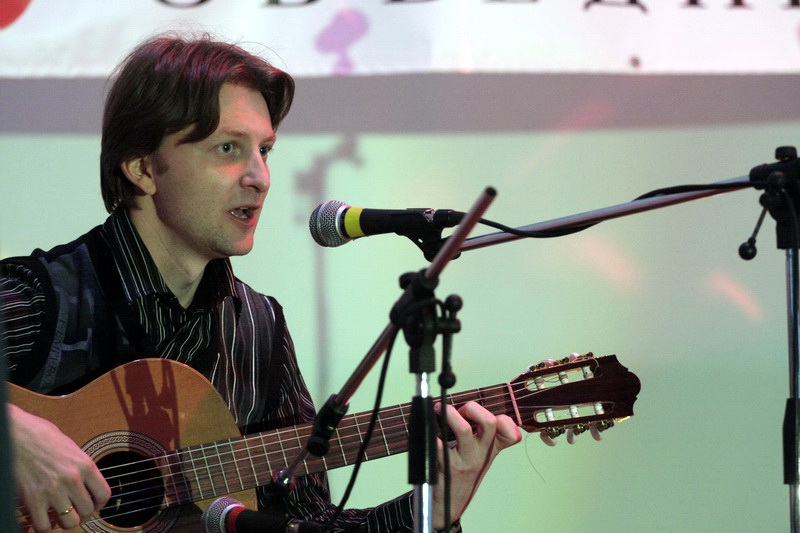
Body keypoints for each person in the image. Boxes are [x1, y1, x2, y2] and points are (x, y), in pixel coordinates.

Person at [0, 33, 521, 533]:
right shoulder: (43, 298)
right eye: (228, 148)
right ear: (143, 168)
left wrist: (432, 510)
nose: (260, 177)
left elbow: (307, 524)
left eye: (264, 150)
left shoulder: (258, 328)